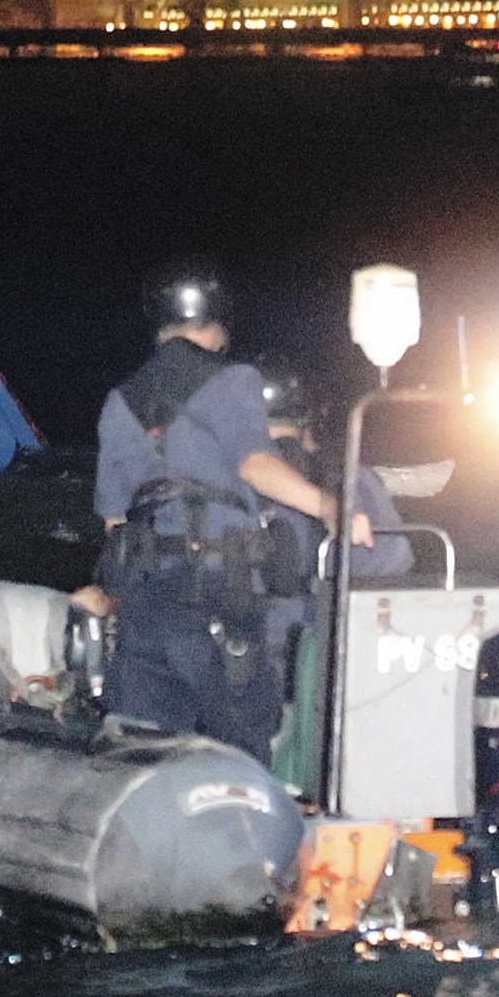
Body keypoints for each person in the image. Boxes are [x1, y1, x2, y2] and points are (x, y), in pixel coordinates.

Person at [72, 258, 382, 755]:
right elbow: (256, 465)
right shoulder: (234, 379)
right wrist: (331, 508)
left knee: (145, 748)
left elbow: (114, 520)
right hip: (218, 594)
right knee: (239, 747)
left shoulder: (118, 401)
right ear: (216, 327)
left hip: (146, 609)